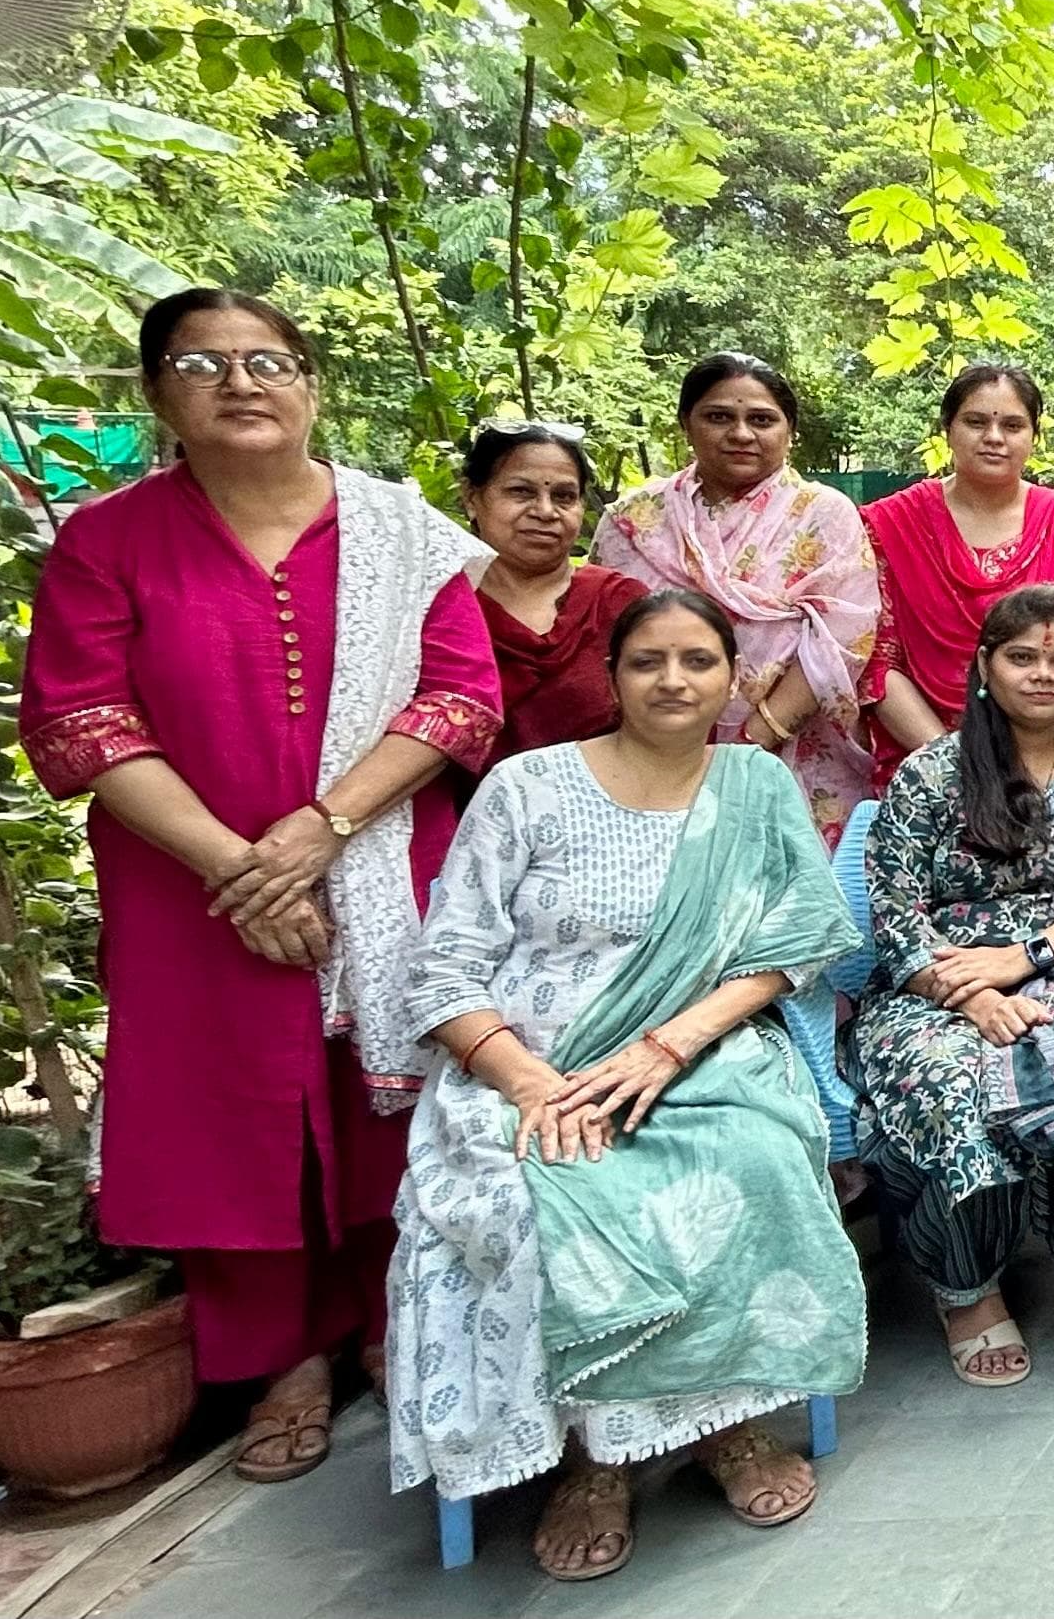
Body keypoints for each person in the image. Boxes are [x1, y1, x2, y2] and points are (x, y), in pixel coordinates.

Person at [22, 289, 501, 1484]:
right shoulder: (109, 540)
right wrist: (244, 867)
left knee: (397, 1090)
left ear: (309, 383)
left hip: (384, 850)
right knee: (227, 1109)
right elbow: (81, 721)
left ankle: (402, 1317)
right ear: (156, 394)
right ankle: (283, 1355)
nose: (241, 383)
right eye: (202, 362)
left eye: (268, 361)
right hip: (193, 881)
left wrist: (325, 828)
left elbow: (457, 698)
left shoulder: (402, 532)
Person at [382, 591, 863, 1580]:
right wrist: (528, 1082)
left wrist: (667, 1046)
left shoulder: (754, 789)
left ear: (733, 676)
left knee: (753, 1157)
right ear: (612, 676)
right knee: (526, 1194)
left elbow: (800, 940)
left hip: (699, 1053)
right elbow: (441, 969)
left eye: (698, 659)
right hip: (525, 1065)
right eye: (649, 661)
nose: (675, 679)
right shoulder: (526, 787)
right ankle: (595, 1454)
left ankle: (724, 1423)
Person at [860, 587, 1054, 1391]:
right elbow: (892, 912)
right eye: (1023, 656)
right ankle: (967, 1284)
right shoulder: (931, 774)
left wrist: (1023, 956)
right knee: (954, 1079)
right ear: (985, 668)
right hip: (935, 987)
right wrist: (972, 993)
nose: (1043, 674)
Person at [592, 353, 880, 843]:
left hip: (792, 753)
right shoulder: (634, 519)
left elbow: (844, 637)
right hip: (652, 749)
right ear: (686, 423)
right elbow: (604, 634)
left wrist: (752, 743)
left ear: (789, 431)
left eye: (762, 420)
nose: (742, 433)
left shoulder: (823, 514)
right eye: (719, 416)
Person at [861, 364, 1054, 786]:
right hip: (924, 766)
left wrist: (1020, 769)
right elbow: (877, 661)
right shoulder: (889, 525)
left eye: (1012, 425)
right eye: (976, 422)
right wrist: (954, 764)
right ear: (947, 429)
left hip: (1043, 766)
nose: (994, 438)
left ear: (1034, 437)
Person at [460, 421, 643, 776]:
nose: (545, 511)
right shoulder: (440, 607)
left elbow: (677, 722)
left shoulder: (619, 603)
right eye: (521, 492)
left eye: (563, 496)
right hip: (469, 822)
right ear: (471, 498)